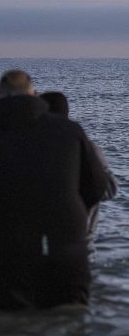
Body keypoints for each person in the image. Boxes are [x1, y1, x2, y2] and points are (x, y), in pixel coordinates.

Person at [0, 70, 115, 310]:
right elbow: (99, 186)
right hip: (68, 250)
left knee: (9, 331)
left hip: (9, 254)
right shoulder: (69, 131)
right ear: (34, 94)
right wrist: (73, 219)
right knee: (71, 330)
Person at [39, 91, 118, 245]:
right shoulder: (86, 147)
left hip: (37, 244)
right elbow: (109, 189)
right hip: (80, 242)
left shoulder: (28, 149)